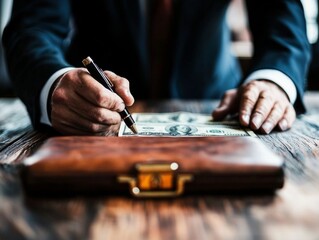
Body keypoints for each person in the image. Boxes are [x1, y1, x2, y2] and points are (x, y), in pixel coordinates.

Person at [2, 0, 310, 135]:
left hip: (217, 104)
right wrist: (54, 83)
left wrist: (274, 80)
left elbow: (282, 21)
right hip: (89, 110)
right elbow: (32, 28)